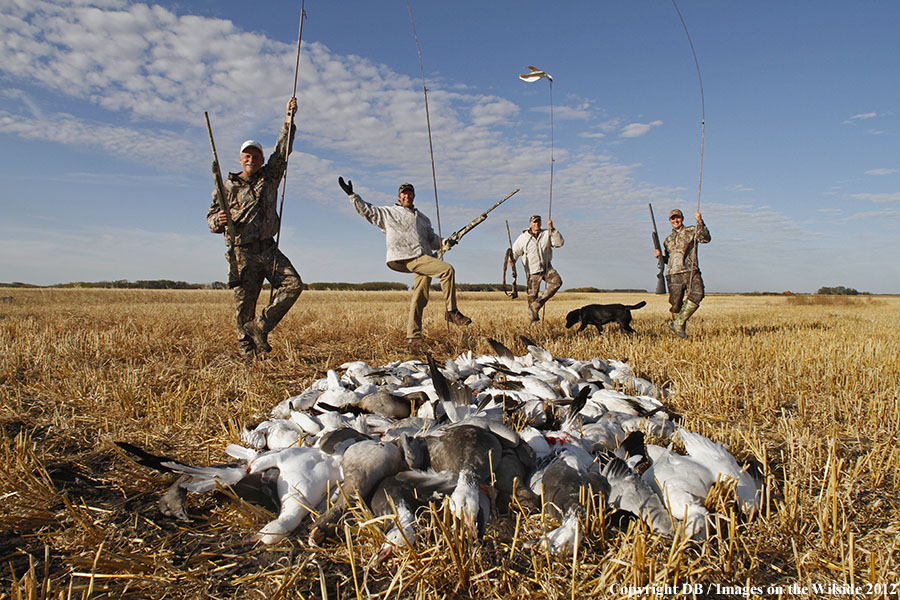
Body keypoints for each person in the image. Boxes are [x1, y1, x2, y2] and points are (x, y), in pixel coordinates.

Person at [206, 97, 303, 356]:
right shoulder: (226, 187)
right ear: (240, 159)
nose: (252, 159)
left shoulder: (269, 178)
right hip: (242, 252)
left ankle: (260, 326)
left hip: (268, 249)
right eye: (247, 155)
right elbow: (210, 219)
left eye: (256, 156)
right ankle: (247, 354)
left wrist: (288, 119)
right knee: (243, 306)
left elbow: (282, 151)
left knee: (293, 284)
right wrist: (219, 221)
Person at [337, 178, 471, 344]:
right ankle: (452, 311)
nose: (407, 196)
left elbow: (432, 240)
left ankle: (413, 336)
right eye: (404, 193)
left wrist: (445, 242)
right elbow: (367, 210)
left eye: (410, 193)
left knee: (419, 297)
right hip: (404, 256)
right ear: (399, 197)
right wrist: (352, 195)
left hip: (423, 258)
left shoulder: (423, 219)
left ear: (413, 196)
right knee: (447, 270)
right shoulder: (388, 213)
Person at [653, 208, 711, 338]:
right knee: (676, 304)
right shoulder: (667, 240)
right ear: (670, 221)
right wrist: (660, 257)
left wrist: (700, 221)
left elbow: (706, 238)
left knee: (698, 294)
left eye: (677, 217)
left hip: (691, 271)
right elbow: (669, 259)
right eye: (673, 218)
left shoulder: (691, 230)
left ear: (682, 218)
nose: (675, 220)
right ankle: (679, 332)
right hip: (673, 274)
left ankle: (677, 323)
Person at [510, 215, 564, 322]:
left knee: (557, 282)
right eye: (534, 222)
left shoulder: (546, 234)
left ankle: (537, 304)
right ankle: (533, 323)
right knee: (531, 297)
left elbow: (559, 243)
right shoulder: (523, 238)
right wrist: (512, 261)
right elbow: (514, 252)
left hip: (546, 268)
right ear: (530, 224)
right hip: (532, 272)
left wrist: (552, 229)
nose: (537, 224)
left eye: (538, 222)